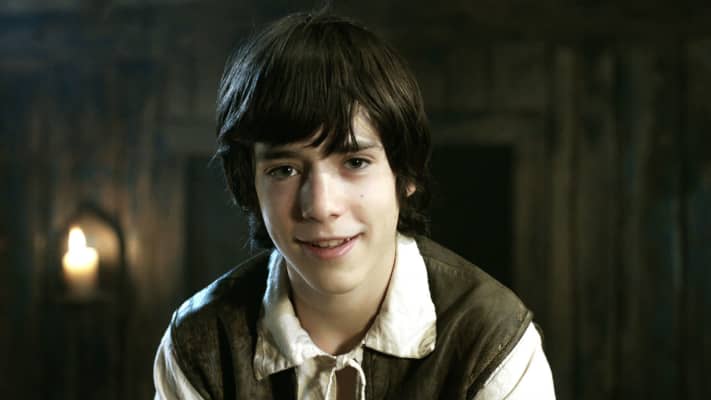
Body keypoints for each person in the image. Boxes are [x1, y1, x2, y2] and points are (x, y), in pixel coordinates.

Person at [153, 11, 555, 400]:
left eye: (355, 163)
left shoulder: (491, 340)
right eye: (284, 170)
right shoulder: (200, 343)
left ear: (405, 174)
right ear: (249, 185)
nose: (321, 206)